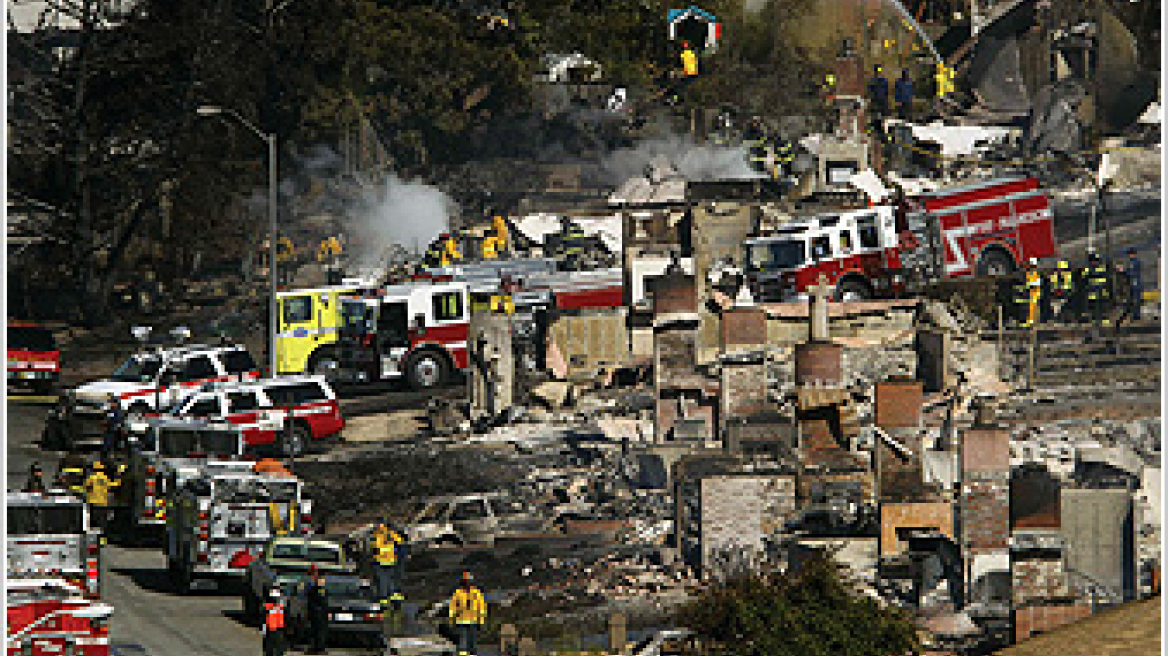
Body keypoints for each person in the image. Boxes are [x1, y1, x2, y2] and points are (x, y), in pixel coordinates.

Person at [449, 572, 487, 656]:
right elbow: (453, 608)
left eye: (469, 581)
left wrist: (480, 621)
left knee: (472, 643)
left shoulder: (477, 593)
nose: (468, 583)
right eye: (466, 581)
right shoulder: (458, 593)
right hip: (461, 622)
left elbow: (481, 608)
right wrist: (452, 620)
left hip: (473, 621)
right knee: (461, 643)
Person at [372, 520, 406, 606]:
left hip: (380, 561)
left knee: (383, 579)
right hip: (390, 560)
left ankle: (385, 598)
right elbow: (400, 542)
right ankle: (393, 595)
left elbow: (376, 547)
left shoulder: (377, 534)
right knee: (391, 578)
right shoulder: (391, 533)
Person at [84, 461, 119, 532]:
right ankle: (102, 534)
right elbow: (112, 486)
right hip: (103, 502)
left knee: (92, 522)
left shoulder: (91, 478)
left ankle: (94, 535)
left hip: (93, 502)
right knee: (102, 521)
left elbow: (86, 487)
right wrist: (118, 479)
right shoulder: (105, 478)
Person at [305, 565, 330, 654]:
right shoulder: (313, 588)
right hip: (315, 612)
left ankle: (320, 648)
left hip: (320, 612)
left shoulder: (320, 589)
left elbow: (323, 602)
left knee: (320, 631)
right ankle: (316, 647)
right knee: (315, 630)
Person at [1084, 251, 1110, 328]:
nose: (1094, 262)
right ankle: (1095, 320)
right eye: (1093, 261)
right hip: (1093, 292)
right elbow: (1085, 277)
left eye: (1096, 260)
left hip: (1101, 290)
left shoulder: (1101, 268)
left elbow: (1105, 276)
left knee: (1103, 306)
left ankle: (1104, 320)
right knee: (1094, 306)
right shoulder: (1088, 269)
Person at [264, 587, 288, 656]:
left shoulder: (268, 606)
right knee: (276, 646)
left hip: (273, 627)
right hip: (275, 627)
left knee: (272, 646)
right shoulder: (281, 605)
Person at [1122, 247, 1142, 321]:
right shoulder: (1130, 262)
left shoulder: (1135, 262)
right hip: (1132, 282)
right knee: (1132, 299)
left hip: (1135, 282)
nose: (1129, 255)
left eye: (1130, 254)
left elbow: (1133, 272)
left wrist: (1124, 272)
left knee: (1136, 299)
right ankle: (1134, 314)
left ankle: (1136, 314)